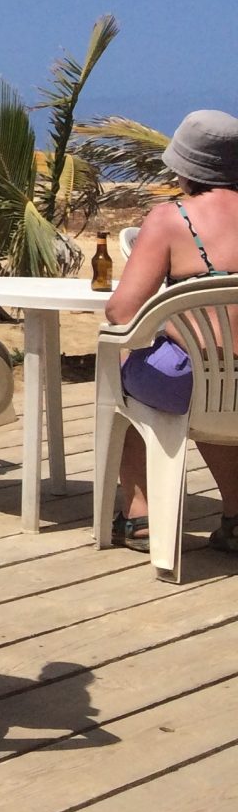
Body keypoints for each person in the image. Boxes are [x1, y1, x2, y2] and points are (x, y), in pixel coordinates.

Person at [104, 110, 238, 551]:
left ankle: (142, 514)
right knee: (221, 386)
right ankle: (236, 517)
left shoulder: (170, 217)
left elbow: (122, 311)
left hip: (189, 382)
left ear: (184, 169)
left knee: (119, 366)